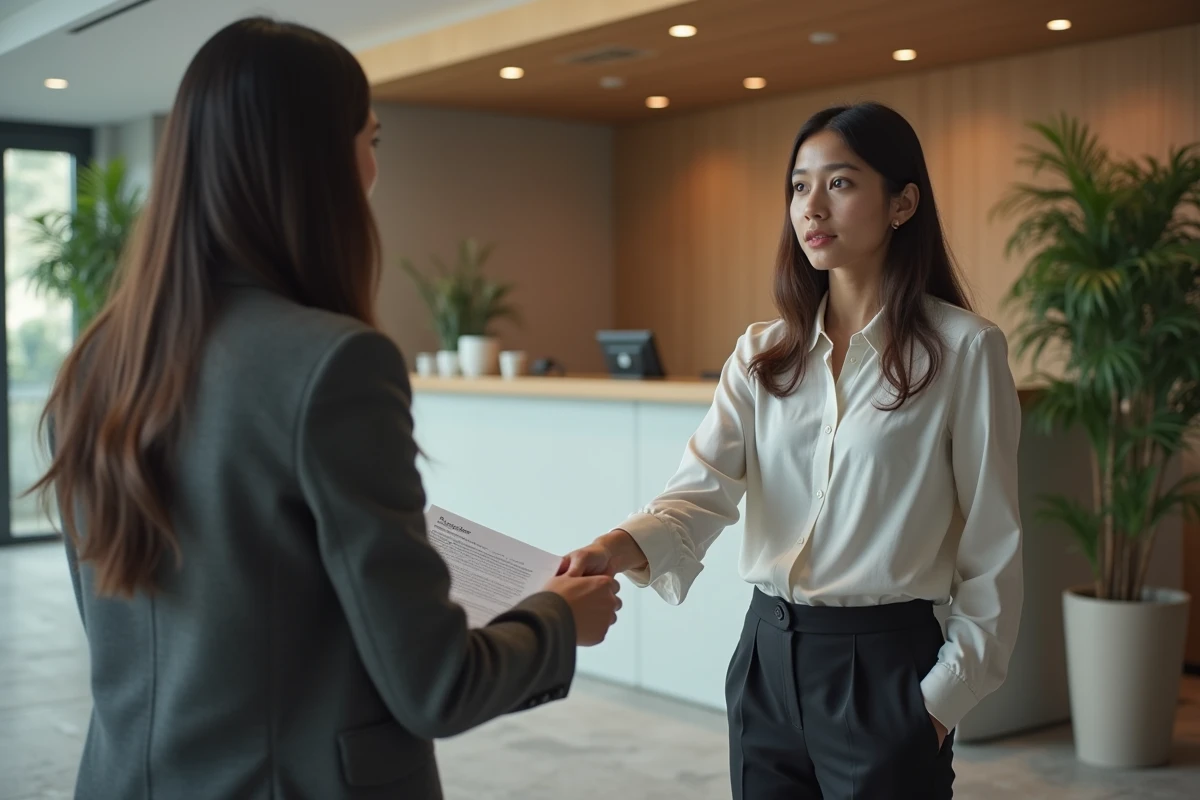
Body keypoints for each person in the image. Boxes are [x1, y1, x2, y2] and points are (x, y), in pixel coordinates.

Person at [34, 17, 620, 800]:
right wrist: (559, 618)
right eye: (370, 139)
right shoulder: (335, 363)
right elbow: (436, 684)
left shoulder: (95, 363)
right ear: (316, 162)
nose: (374, 169)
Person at [563, 101, 1024, 799]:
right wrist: (612, 548)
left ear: (902, 204)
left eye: (840, 183)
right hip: (766, 661)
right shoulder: (762, 353)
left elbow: (994, 547)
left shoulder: (964, 351)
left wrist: (937, 707)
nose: (812, 207)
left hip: (886, 670)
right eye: (799, 186)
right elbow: (698, 495)